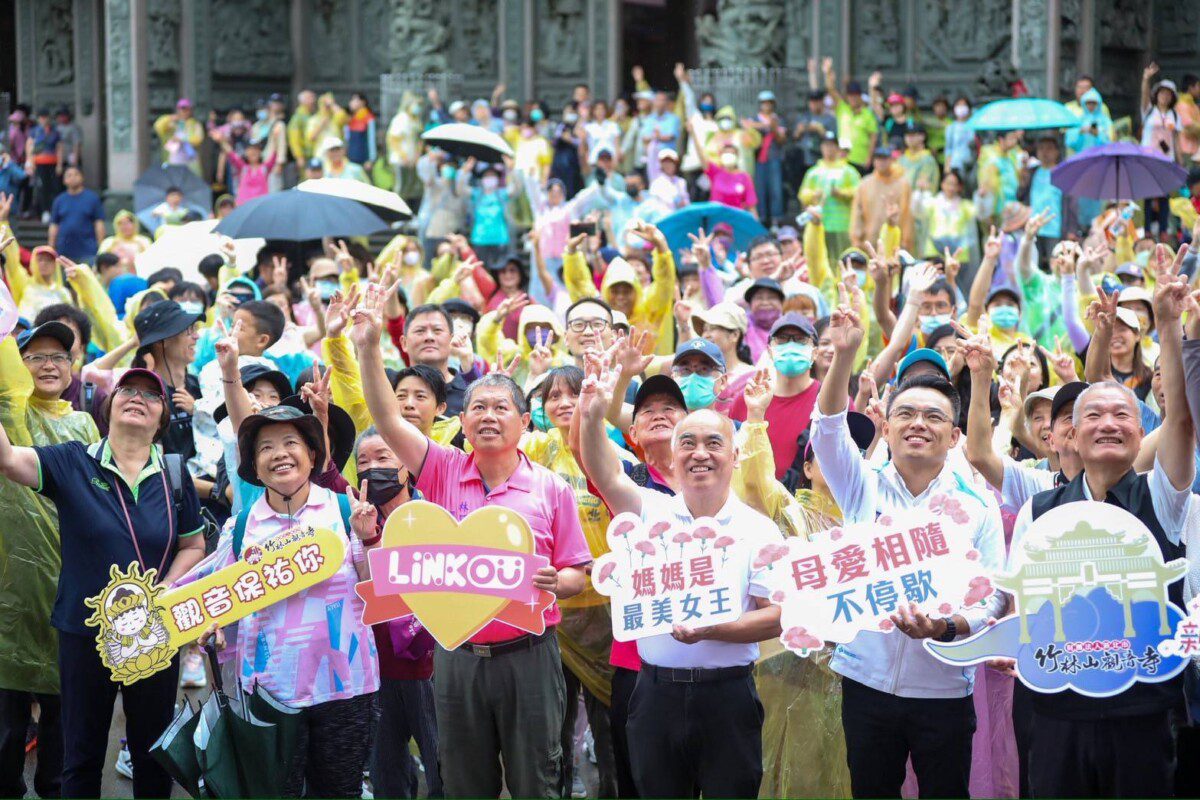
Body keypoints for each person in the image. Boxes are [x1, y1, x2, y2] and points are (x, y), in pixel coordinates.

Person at [353, 284, 591, 799]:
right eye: (477, 407)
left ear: (524, 422)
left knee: (536, 780)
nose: (488, 416)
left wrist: (559, 581)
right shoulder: (441, 468)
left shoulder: (551, 488)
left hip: (530, 655)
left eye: (501, 407)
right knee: (463, 781)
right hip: (457, 656)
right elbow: (387, 419)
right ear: (460, 422)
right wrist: (369, 347)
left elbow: (577, 571)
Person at [1011, 245, 1194, 798]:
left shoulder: (1162, 498)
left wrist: (1169, 327)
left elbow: (1182, 423)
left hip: (1143, 711)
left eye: (1123, 415)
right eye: (1093, 414)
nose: (1108, 423)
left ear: (1141, 433)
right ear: (1070, 433)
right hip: (1058, 711)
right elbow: (1021, 603)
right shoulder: (1040, 511)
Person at [812, 281, 1006, 799]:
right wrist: (845, 356)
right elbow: (826, 430)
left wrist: (945, 627)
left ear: (954, 435)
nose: (919, 424)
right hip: (867, 685)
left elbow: (992, 597)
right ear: (888, 425)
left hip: (944, 690)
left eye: (934, 416)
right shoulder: (861, 484)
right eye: (906, 413)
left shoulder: (977, 504)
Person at [578, 354, 784, 798]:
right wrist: (593, 413)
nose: (699, 454)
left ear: (734, 454)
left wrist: (715, 629)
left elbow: (777, 616)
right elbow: (603, 471)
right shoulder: (648, 512)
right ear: (673, 456)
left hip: (727, 698)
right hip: (655, 695)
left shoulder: (759, 529)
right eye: (687, 443)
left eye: (713, 443)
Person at [0, 364, 206, 798]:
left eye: (151, 395)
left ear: (162, 417)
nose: (137, 398)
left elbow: (193, 545)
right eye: (127, 390)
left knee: (154, 755)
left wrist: (167, 590)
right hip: (84, 633)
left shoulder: (174, 473)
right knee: (81, 755)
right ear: (108, 406)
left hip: (154, 634)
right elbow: (8, 459)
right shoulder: (73, 460)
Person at [182, 397, 380, 798]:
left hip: (347, 687)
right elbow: (219, 603)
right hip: (269, 692)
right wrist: (212, 633)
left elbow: (378, 590)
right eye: (266, 447)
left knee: (340, 793)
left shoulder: (347, 512)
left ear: (312, 455)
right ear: (254, 467)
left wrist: (370, 537)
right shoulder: (241, 528)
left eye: (291, 442)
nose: (279, 454)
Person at [0, 322, 101, 799]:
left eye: (59, 356)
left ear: (72, 367)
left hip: (71, 578)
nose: (48, 365)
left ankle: (55, 787)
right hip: (12, 581)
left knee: (64, 705)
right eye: (35, 356)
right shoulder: (10, 413)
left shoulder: (85, 425)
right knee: (7, 705)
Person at [728, 310, 821, 479]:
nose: (791, 345)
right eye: (782, 339)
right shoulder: (747, 400)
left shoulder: (829, 401)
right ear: (770, 351)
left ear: (815, 352)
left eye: (800, 339)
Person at [799, 131, 861, 259]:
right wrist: (814, 194)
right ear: (821, 147)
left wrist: (842, 193)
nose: (829, 148)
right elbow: (803, 194)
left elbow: (859, 192)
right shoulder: (814, 172)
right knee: (821, 258)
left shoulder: (848, 171)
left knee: (843, 258)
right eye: (826, 145)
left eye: (832, 145)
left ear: (838, 148)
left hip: (843, 224)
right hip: (819, 222)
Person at [850, 147, 913, 251]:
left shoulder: (903, 184)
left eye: (884, 159)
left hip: (895, 243)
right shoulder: (865, 184)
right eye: (878, 159)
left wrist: (906, 240)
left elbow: (907, 215)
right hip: (869, 241)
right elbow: (857, 212)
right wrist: (856, 238)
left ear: (891, 160)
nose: (881, 162)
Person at [823, 59, 878, 172]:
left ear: (860, 96)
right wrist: (828, 72)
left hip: (861, 159)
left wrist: (869, 157)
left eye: (856, 95)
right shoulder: (842, 109)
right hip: (843, 160)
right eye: (851, 95)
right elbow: (831, 89)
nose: (853, 98)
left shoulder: (867, 114)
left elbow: (873, 137)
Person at [48, 166, 105, 263]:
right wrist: (51, 247)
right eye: (69, 175)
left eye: (76, 175)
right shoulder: (59, 200)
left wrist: (101, 248)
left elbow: (99, 224)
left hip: (88, 252)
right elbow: (54, 225)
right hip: (64, 252)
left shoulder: (92, 199)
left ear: (82, 178)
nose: (73, 178)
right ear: (64, 180)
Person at [153, 98, 205, 174]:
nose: (184, 112)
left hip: (190, 162)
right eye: (181, 109)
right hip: (173, 161)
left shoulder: (195, 125)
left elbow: (198, 139)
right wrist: (170, 118)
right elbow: (158, 126)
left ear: (190, 110)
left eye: (186, 109)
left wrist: (183, 139)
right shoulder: (172, 124)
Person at [343, 92, 377, 174]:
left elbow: (371, 140)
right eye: (352, 100)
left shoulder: (369, 118)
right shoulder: (349, 119)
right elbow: (346, 138)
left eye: (356, 100)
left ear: (363, 102)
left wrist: (371, 160)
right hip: (350, 158)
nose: (353, 102)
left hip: (364, 160)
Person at [943, 97, 976, 175]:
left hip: (972, 165)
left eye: (964, 105)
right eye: (958, 105)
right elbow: (949, 149)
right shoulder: (951, 127)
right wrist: (947, 166)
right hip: (956, 164)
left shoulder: (974, 125)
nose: (961, 108)